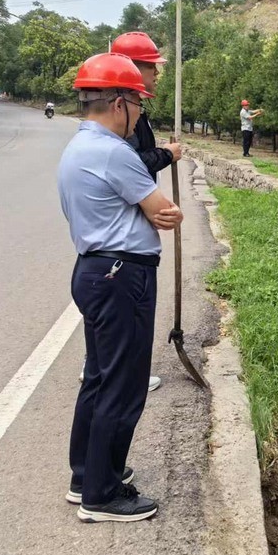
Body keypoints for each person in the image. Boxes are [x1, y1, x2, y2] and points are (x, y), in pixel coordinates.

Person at [58, 53, 183, 522]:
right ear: (118, 103)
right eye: (138, 103)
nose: (140, 114)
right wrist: (167, 215)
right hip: (121, 276)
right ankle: (103, 494)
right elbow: (163, 210)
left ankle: (84, 475)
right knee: (123, 384)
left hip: (93, 268)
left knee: (98, 378)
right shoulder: (115, 152)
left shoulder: (77, 147)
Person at [109, 32, 183, 393]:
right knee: (127, 307)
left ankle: (101, 365)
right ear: (133, 67)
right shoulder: (124, 118)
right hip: (126, 233)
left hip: (117, 231)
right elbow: (132, 164)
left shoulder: (132, 111)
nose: (156, 73)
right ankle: (127, 378)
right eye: (152, 66)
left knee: (110, 311)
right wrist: (168, 154)